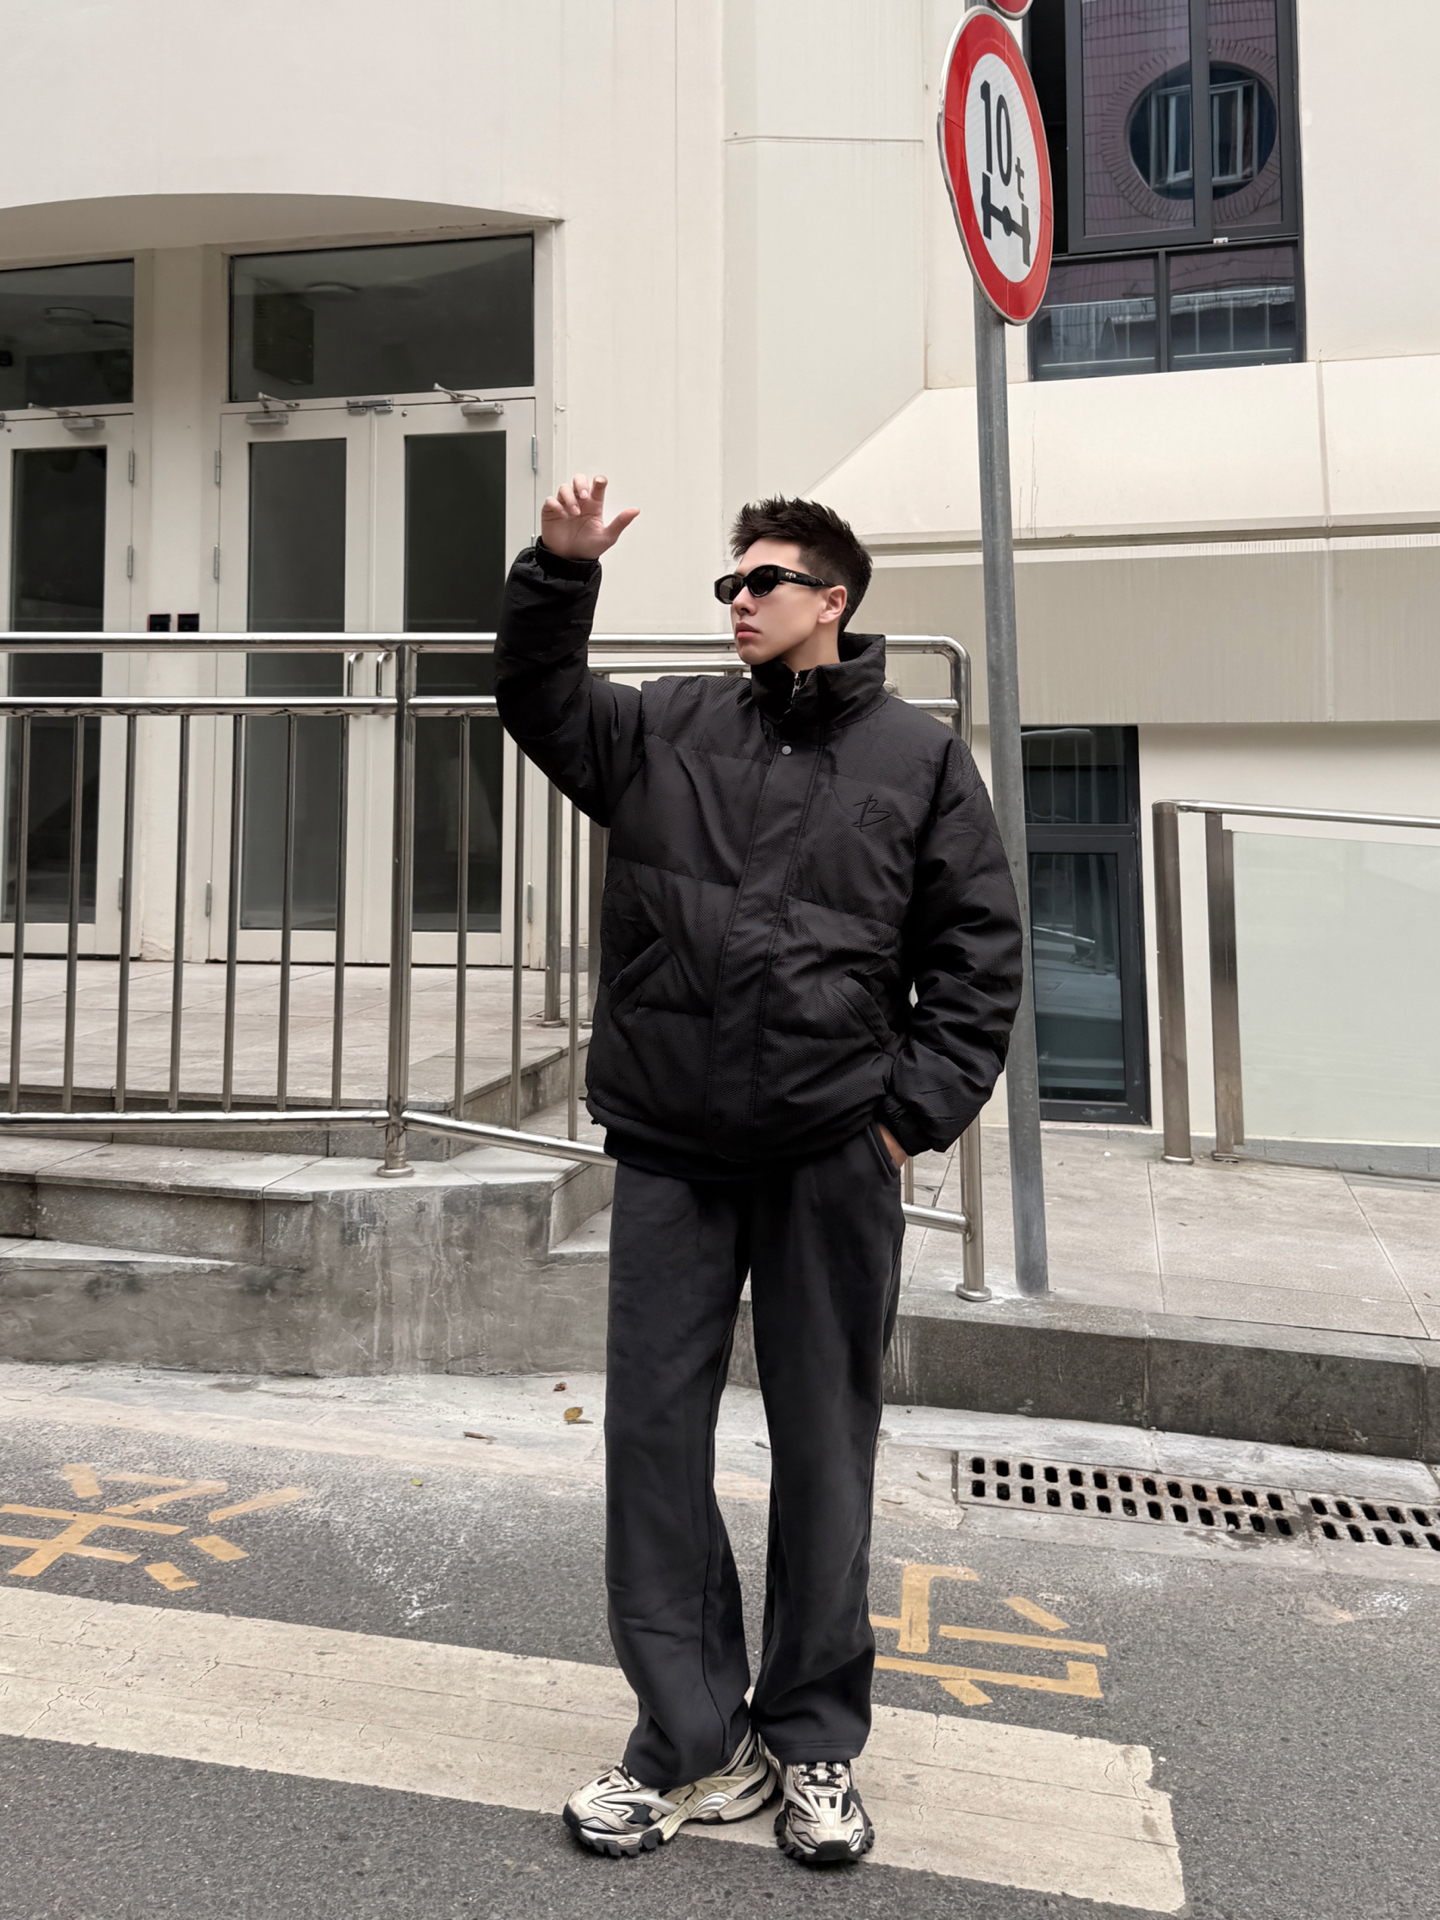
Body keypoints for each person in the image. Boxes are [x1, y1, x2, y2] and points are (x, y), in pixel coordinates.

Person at [495, 474, 1022, 1867]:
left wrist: (902, 1122)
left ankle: (814, 1742)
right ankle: (689, 1743)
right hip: (673, 1143)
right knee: (652, 1444)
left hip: (829, 1151)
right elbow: (537, 701)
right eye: (729, 582)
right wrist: (559, 572)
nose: (737, 600)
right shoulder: (665, 726)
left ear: (831, 600)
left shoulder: (917, 758)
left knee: (826, 1449)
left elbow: (978, 957)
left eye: (763, 580)